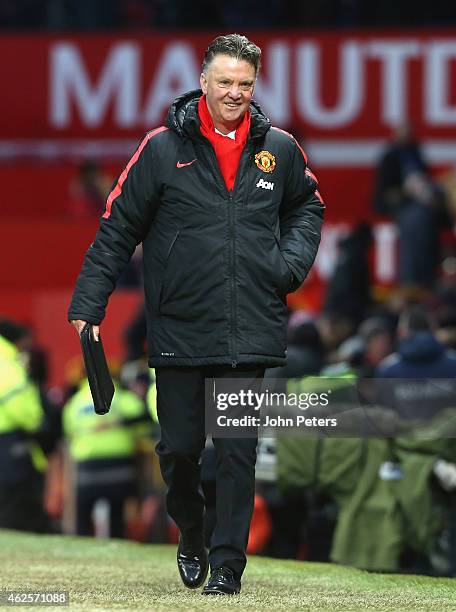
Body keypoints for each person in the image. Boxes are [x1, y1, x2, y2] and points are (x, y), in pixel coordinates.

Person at [68, 33, 324, 595]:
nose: (235, 93)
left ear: (255, 87)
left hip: (250, 325)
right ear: (203, 82)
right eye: (226, 82)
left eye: (246, 84)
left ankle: (228, 565)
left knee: (238, 452)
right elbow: (115, 231)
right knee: (179, 450)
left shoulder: (278, 148)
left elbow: (307, 204)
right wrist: (90, 305)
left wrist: (288, 266)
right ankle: (190, 532)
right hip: (180, 326)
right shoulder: (161, 149)